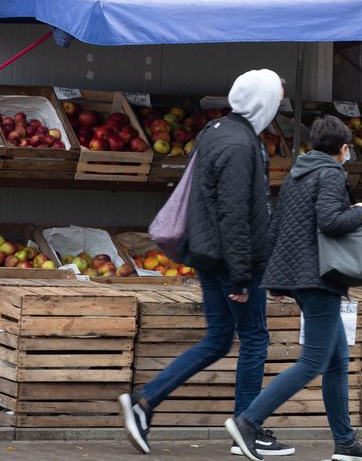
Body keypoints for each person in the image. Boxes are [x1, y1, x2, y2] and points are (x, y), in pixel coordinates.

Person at [120, 69, 293, 458]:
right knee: (254, 339)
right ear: (263, 103)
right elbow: (234, 214)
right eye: (276, 101)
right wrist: (241, 276)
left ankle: (144, 402)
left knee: (217, 339)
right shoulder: (240, 146)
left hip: (207, 253)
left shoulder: (216, 131)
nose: (277, 108)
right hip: (231, 259)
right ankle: (246, 427)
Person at [226, 115, 362, 461]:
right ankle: (248, 421)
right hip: (320, 278)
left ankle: (345, 442)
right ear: (343, 149)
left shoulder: (298, 173)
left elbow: (277, 226)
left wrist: (277, 279)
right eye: (347, 150)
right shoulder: (331, 174)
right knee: (312, 361)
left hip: (302, 276)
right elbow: (330, 221)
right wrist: (359, 211)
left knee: (337, 360)